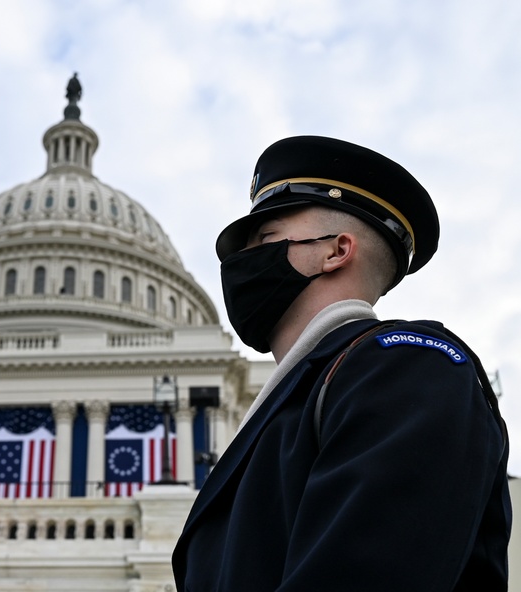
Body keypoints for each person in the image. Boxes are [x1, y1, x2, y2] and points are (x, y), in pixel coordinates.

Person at [171, 136, 510, 591]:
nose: (241, 263)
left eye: (266, 239)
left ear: (336, 251)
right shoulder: (291, 407)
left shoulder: (406, 368)